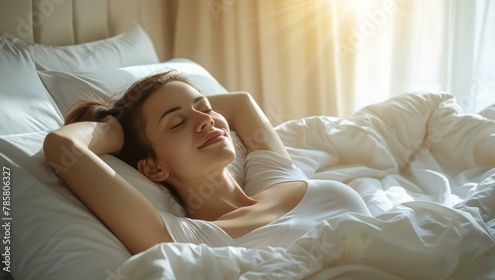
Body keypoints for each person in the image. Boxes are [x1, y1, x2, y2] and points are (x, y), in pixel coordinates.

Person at [43, 70, 372, 255]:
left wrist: (182, 107)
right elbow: (62, 147)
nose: (206, 121)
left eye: (204, 108)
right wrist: (115, 129)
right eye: (177, 123)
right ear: (154, 168)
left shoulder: (274, 176)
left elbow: (241, 103)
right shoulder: (185, 238)